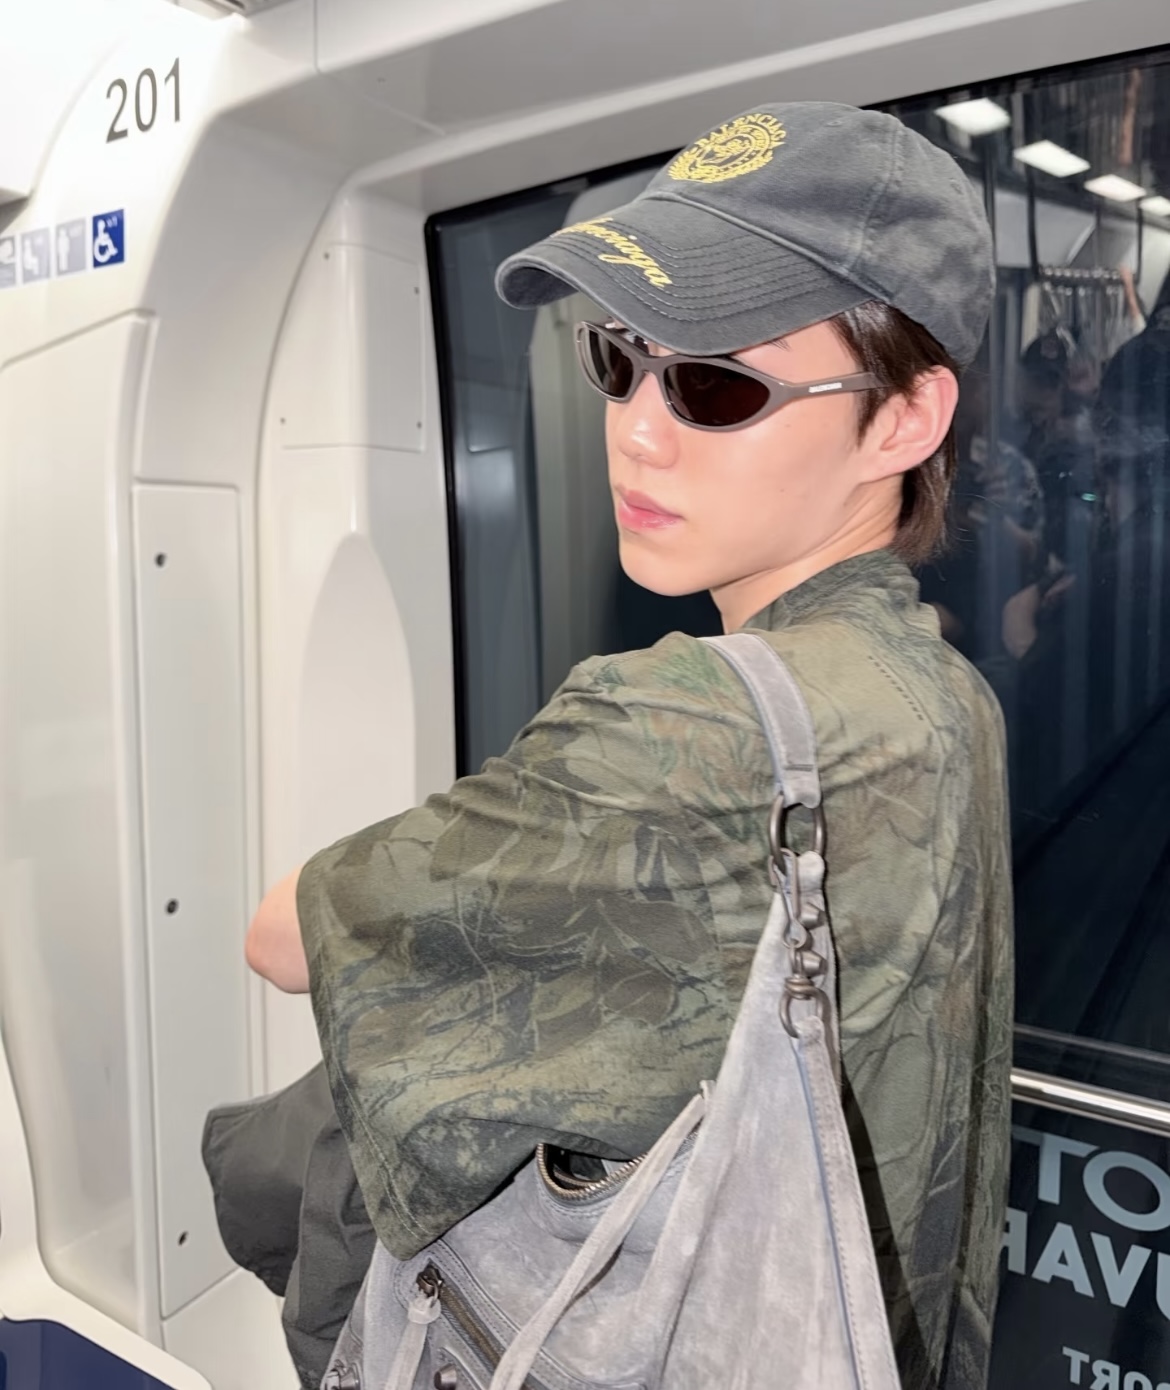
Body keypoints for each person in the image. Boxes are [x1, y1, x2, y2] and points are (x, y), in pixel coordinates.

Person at [246, 102, 1013, 1390]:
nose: (638, 429)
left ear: (901, 421)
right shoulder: (942, 692)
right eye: (620, 358)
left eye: (716, 385)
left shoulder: (685, 724)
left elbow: (283, 935)